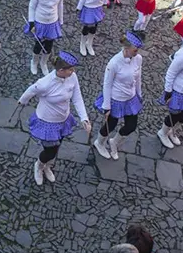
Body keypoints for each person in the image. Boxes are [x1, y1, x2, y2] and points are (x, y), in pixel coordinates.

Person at [19, 51, 90, 186]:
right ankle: (39, 166)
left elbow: (77, 97)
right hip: (47, 122)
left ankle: (47, 166)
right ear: (61, 70)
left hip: (63, 120)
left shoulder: (72, 77)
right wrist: (22, 101)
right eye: (70, 69)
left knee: (56, 147)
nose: (73, 71)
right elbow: (31, 90)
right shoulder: (45, 83)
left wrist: (84, 118)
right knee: (50, 151)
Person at [93, 31, 144, 160]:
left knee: (131, 126)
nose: (137, 52)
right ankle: (99, 143)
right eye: (135, 49)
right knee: (111, 125)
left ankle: (114, 142)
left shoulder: (138, 58)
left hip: (131, 97)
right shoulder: (114, 63)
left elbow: (138, 78)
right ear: (126, 48)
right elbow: (107, 84)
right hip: (116, 98)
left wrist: (139, 94)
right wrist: (107, 106)